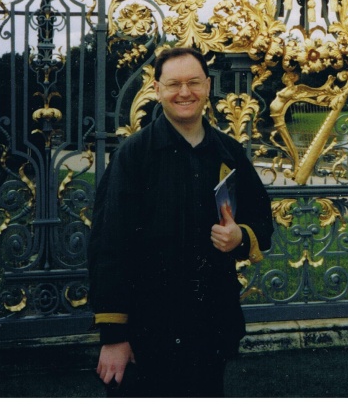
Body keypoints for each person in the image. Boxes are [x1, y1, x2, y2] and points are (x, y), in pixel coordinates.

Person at [87, 46, 274, 397]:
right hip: (147, 331)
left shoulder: (229, 152)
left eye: (193, 83)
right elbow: (109, 245)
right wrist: (114, 337)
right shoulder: (134, 155)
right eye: (174, 84)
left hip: (209, 326)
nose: (184, 92)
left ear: (207, 86)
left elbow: (262, 221)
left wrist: (240, 236)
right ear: (157, 89)